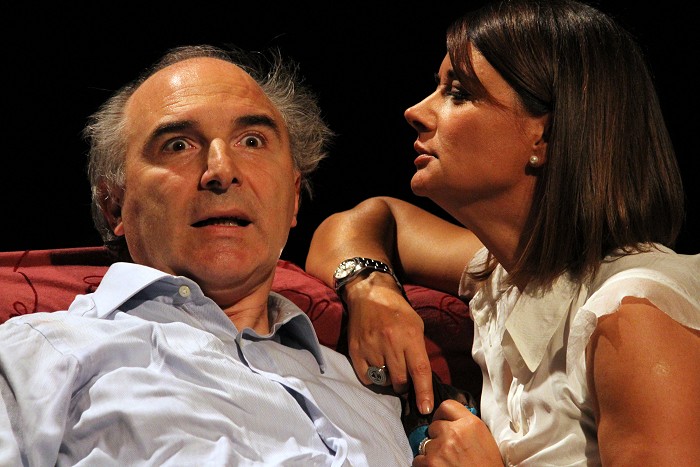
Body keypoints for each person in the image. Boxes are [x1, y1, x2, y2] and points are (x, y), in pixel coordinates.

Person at [305, 0, 700, 465]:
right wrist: (371, 289)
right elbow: (365, 220)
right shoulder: (510, 273)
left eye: (458, 93)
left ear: (543, 136)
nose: (416, 111)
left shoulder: (634, 313)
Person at [0, 44, 414, 465]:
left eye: (252, 141)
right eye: (178, 145)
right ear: (114, 205)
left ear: (293, 196)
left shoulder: (374, 392)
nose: (221, 170)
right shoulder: (39, 354)